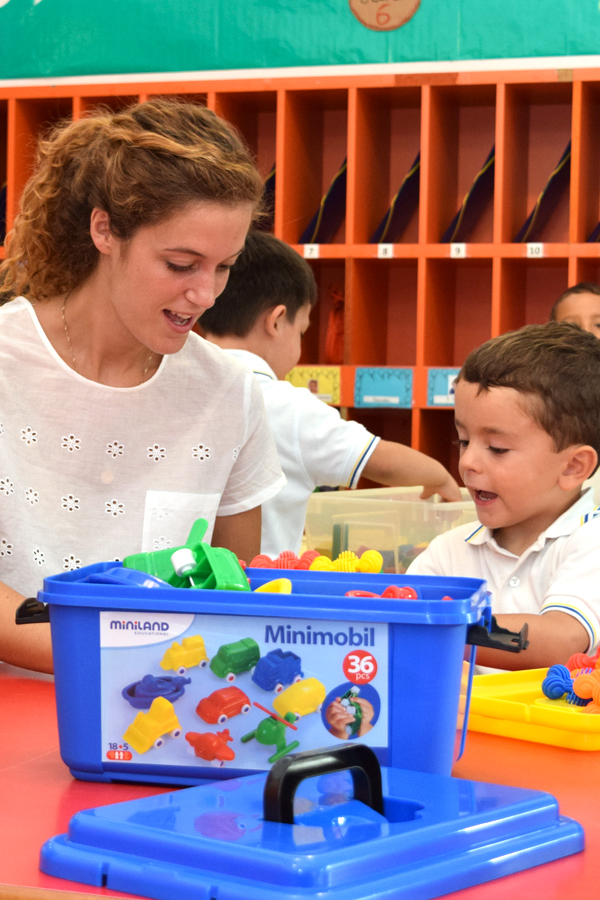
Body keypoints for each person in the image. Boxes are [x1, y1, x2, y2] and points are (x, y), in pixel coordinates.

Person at [0, 100, 286, 674]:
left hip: (166, 719)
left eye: (224, 266)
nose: (206, 295)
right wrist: (123, 655)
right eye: (182, 264)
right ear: (105, 230)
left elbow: (234, 580)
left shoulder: (231, 390)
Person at [200, 230, 461, 557]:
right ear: (277, 322)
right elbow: (380, 460)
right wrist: (438, 475)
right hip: (262, 587)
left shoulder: (180, 385)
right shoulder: (289, 407)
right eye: (303, 331)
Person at [407, 322, 600, 670]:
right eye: (463, 440)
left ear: (573, 467)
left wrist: (436, 627)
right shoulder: (448, 554)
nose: (467, 462)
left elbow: (563, 641)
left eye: (497, 448)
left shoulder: (591, 543)